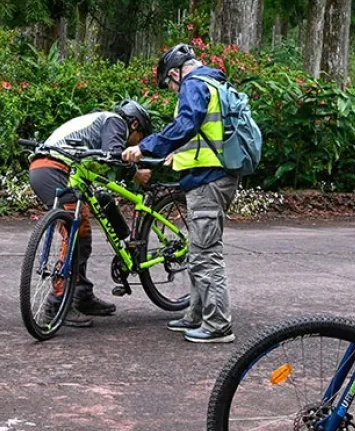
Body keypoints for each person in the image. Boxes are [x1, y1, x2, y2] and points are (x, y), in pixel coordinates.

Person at [123, 44, 239, 344]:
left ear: (175, 73)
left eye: (169, 84)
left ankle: (218, 325)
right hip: (211, 174)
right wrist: (178, 153)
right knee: (199, 250)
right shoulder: (213, 82)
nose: (172, 90)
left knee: (205, 254)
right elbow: (203, 132)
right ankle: (196, 314)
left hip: (209, 180)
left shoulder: (194, 84)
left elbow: (187, 123)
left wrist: (146, 146)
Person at [29, 100, 155, 326]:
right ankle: (57, 304)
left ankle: (80, 295)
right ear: (135, 124)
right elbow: (113, 153)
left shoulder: (97, 123)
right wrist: (135, 173)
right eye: (142, 138)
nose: (139, 145)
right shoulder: (116, 122)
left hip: (49, 168)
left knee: (82, 232)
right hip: (55, 168)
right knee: (74, 235)